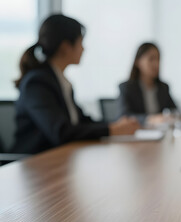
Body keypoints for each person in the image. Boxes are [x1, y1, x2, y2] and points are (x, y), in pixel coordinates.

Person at [11, 14, 140, 154]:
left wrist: (116, 125)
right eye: (80, 43)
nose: (83, 49)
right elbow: (61, 132)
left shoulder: (59, 81)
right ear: (66, 46)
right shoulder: (36, 83)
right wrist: (111, 129)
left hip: (60, 158)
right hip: (36, 164)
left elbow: (81, 121)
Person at [118, 43, 179, 126]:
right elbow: (125, 116)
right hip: (137, 134)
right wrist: (151, 119)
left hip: (160, 133)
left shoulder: (163, 87)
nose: (156, 64)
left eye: (158, 59)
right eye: (151, 59)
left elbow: (176, 111)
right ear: (138, 62)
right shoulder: (127, 87)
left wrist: (172, 116)